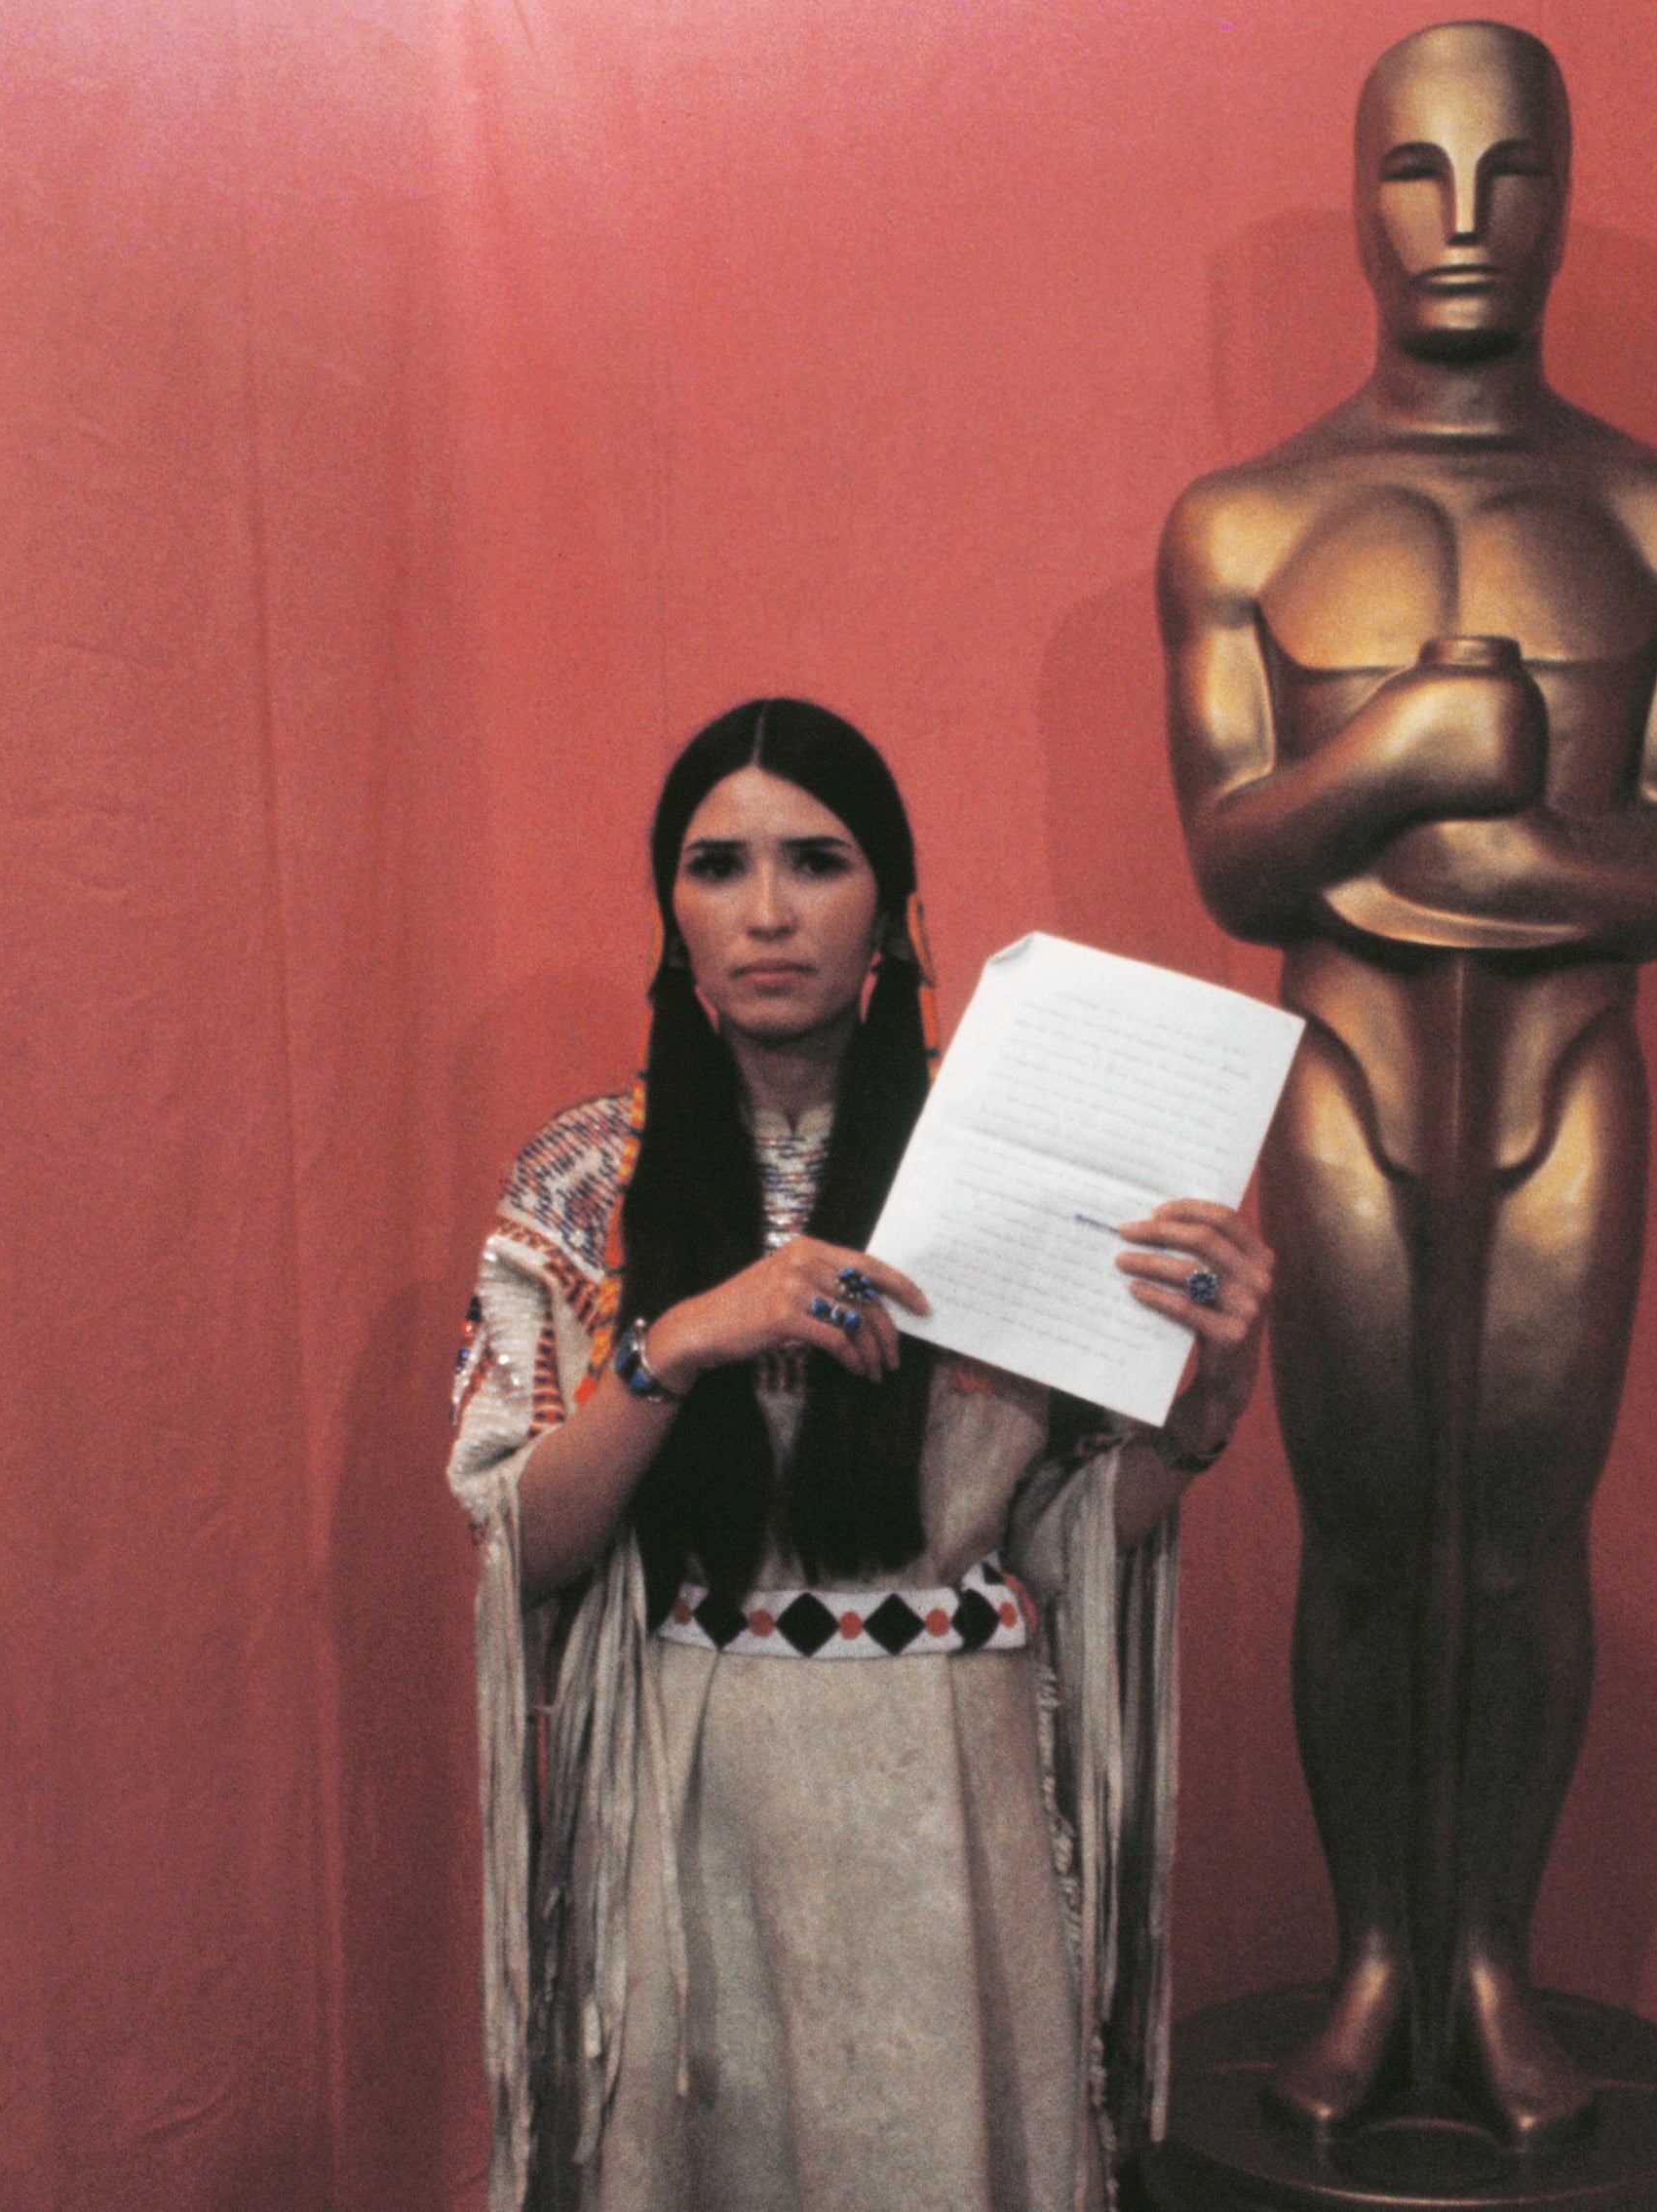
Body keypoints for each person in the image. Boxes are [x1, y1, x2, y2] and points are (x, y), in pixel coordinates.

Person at [1156, 21, 1657, 2146]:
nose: (1466, 219)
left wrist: (1441, 850)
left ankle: (1487, 1959)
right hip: (1342, 1064)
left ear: (1566, 193)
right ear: (1359, 200)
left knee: (1520, 1535)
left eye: (1512, 172)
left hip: (1567, 1073)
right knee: (1352, 1531)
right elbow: (1236, 861)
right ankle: (1371, 1961)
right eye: (1417, 173)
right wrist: (1412, 753)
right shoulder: (1244, 523)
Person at [448, 697, 1272, 2212]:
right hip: (693, 1794)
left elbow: (1058, 1538)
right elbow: (525, 1544)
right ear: (672, 911)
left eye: (816, 861)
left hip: (945, 1796)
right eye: (717, 865)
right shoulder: (586, 1178)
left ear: (892, 907)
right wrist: (678, 1340)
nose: (766, 911)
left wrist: (1205, 1409)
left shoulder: (1015, 1164)